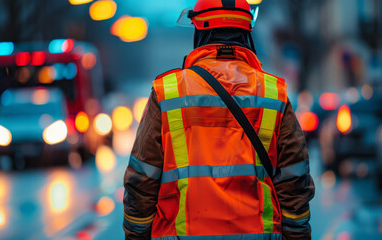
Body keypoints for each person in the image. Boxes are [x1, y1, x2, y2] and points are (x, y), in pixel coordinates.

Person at [123, 0, 315, 239]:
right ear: (247, 33)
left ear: (199, 31)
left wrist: (136, 235)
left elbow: (141, 180)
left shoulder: (168, 91)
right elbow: (295, 181)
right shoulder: (273, 93)